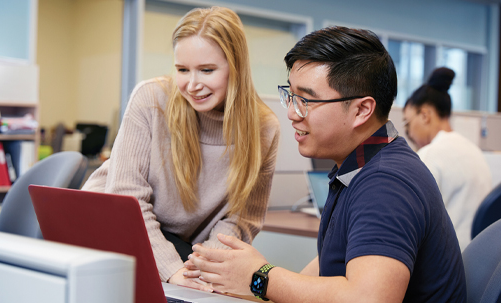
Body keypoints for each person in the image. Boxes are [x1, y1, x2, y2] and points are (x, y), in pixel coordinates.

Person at [186, 26, 466, 302]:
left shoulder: (385, 183)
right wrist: (253, 282)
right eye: (291, 96)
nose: (292, 113)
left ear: (362, 110)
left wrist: (260, 277)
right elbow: (325, 268)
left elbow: (368, 299)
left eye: (306, 100)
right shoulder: (359, 167)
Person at [82, 6, 280, 289]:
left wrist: (202, 269)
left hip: (179, 246)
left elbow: (240, 220)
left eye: (207, 70)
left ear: (236, 67)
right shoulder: (151, 99)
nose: (193, 85)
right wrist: (173, 270)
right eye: (182, 70)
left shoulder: (265, 128)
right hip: (107, 226)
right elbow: (128, 200)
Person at [403, 67, 492, 250]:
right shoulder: (473, 150)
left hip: (451, 263)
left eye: (408, 123)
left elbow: (411, 222)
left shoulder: (430, 154)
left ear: (425, 115)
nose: (409, 133)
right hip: (481, 258)